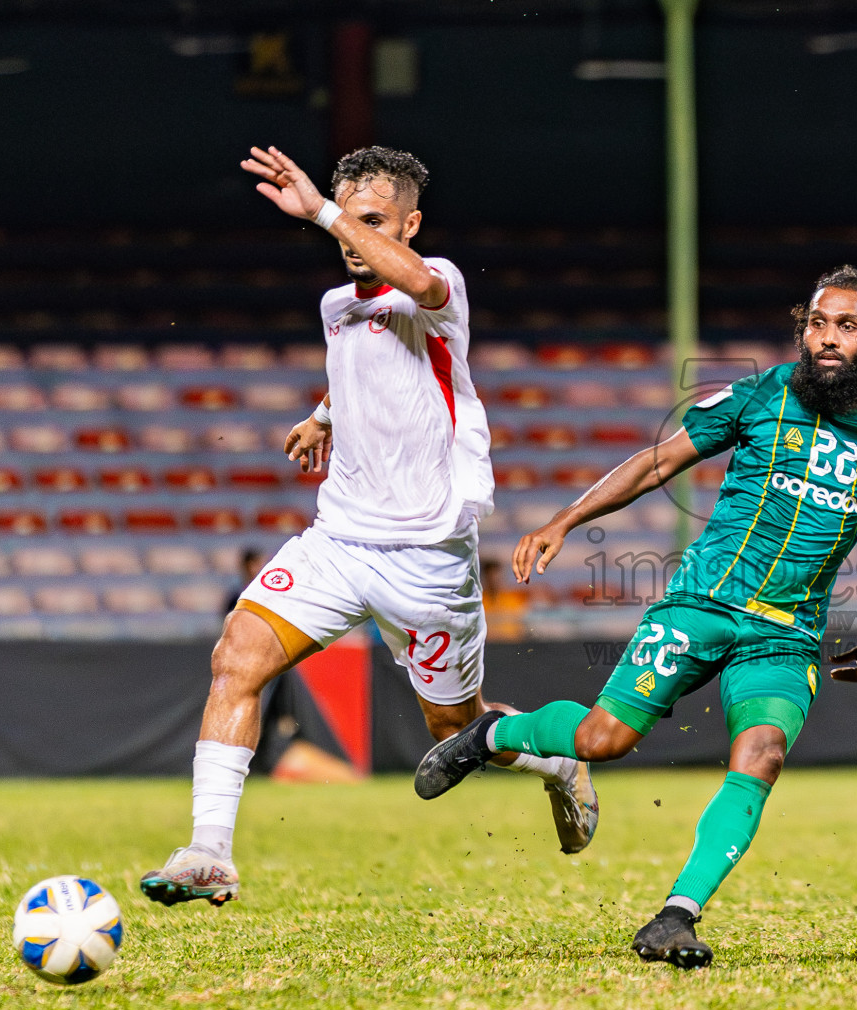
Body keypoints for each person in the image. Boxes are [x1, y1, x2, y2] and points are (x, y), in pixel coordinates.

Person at [413, 266, 857, 968]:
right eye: (816, 323)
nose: (827, 338)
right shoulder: (762, 394)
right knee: (602, 740)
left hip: (786, 635)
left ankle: (676, 917)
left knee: (763, 754)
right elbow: (657, 462)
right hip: (701, 604)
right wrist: (565, 519)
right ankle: (492, 733)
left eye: (847, 326)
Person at [140, 145, 598, 907]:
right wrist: (322, 416)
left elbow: (413, 289)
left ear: (411, 225)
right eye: (349, 220)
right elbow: (364, 365)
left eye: (374, 221)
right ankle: (209, 851)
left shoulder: (438, 282)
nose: (353, 236)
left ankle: (556, 758)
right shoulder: (335, 306)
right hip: (340, 540)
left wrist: (324, 212)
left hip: (428, 557)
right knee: (238, 657)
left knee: (454, 731)